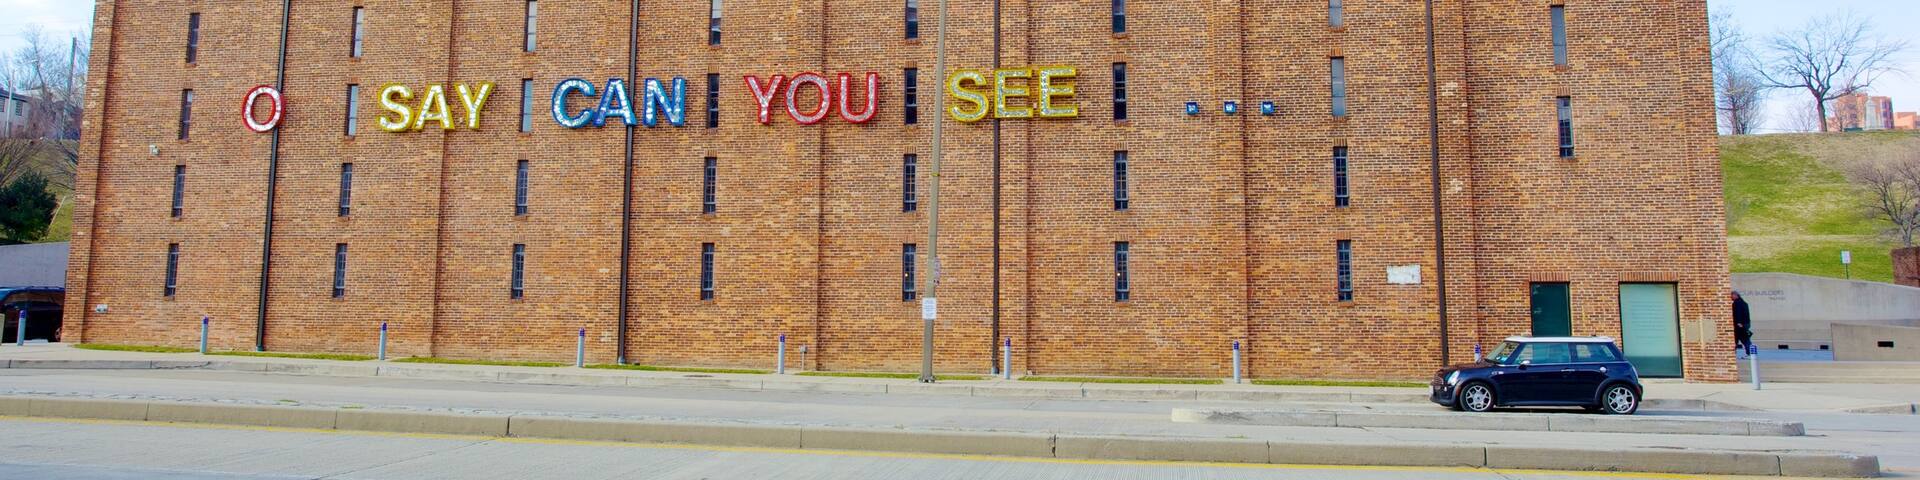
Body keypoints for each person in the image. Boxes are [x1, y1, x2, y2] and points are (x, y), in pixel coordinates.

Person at [1732, 291, 1753, 357]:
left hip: (1739, 325)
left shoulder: (1737, 303)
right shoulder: (1744, 303)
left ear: (1736, 295)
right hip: (1746, 323)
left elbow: (1738, 313)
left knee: (1744, 339)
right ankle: (1750, 354)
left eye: (1731, 295)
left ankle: (1750, 354)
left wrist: (1739, 323)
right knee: (1744, 339)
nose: (1730, 297)